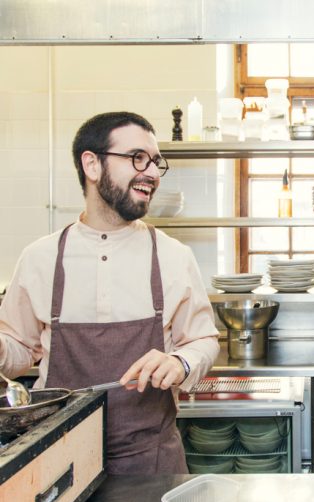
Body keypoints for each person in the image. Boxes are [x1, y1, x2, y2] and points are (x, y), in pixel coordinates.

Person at [0, 111, 220, 474]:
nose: (151, 172)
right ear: (92, 164)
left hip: (151, 461)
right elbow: (19, 350)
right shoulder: (40, 258)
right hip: (59, 459)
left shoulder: (172, 256)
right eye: (137, 158)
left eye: (155, 162)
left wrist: (180, 362)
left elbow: (203, 341)